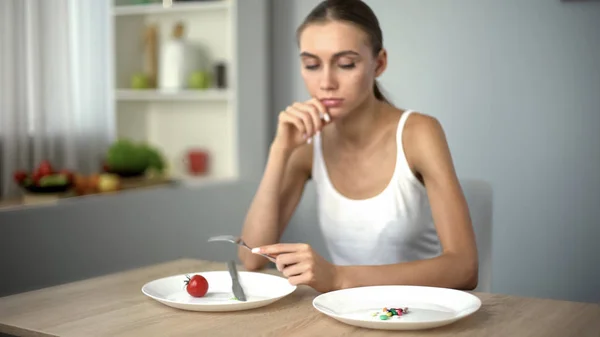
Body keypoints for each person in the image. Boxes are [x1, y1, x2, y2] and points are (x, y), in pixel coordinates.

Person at [238, 0, 478, 293]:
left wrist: (339, 278)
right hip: (345, 313)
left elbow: (464, 268)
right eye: (311, 65)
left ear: (379, 64)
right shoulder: (306, 143)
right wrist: (280, 150)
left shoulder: (418, 133)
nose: (326, 82)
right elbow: (250, 257)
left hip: (419, 314)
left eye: (346, 64)